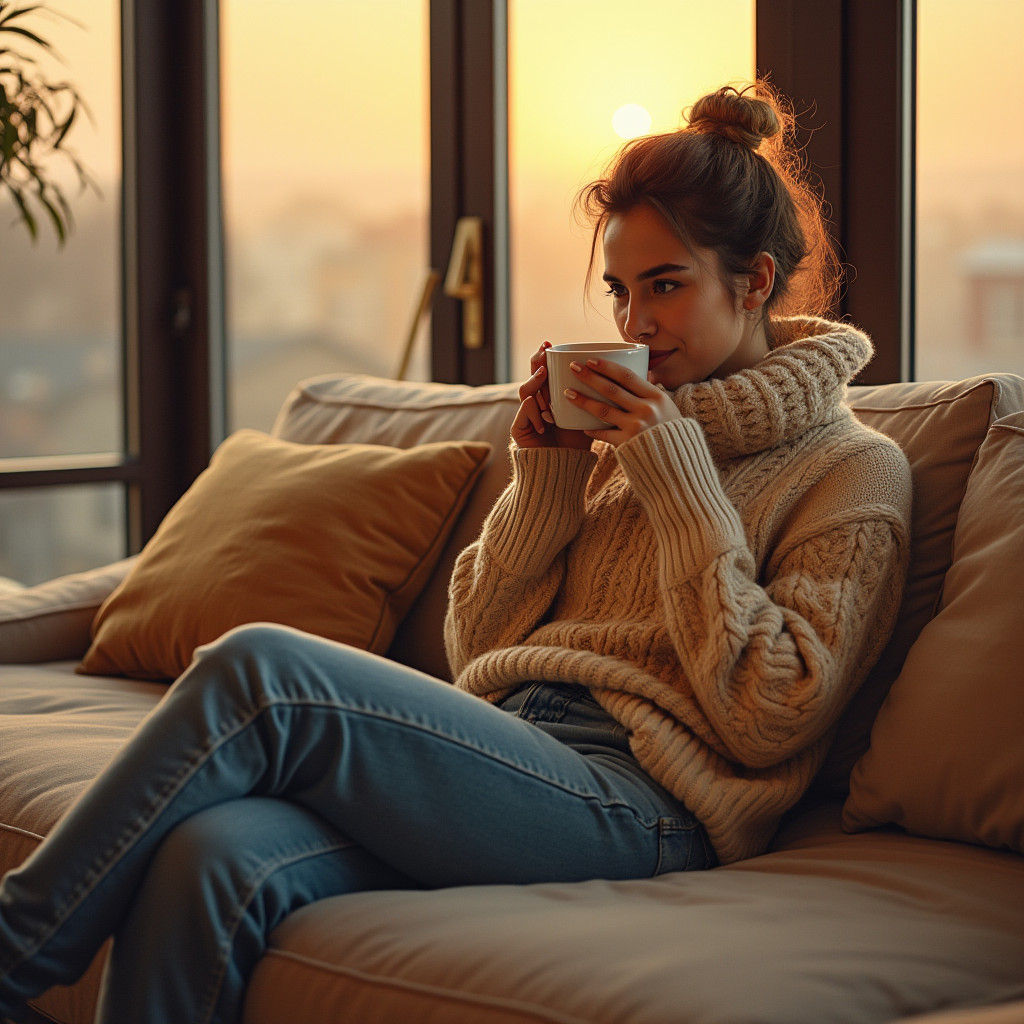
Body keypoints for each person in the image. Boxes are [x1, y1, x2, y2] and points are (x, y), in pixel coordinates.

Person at [0, 82, 911, 1023]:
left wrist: (678, 483)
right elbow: (478, 651)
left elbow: (771, 714)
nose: (636, 324)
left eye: (665, 285)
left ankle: (16, 945)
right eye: (620, 290)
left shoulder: (854, 471)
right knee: (214, 854)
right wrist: (550, 474)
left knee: (259, 669)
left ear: (754, 281)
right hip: (516, 755)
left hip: (646, 806)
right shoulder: (627, 435)